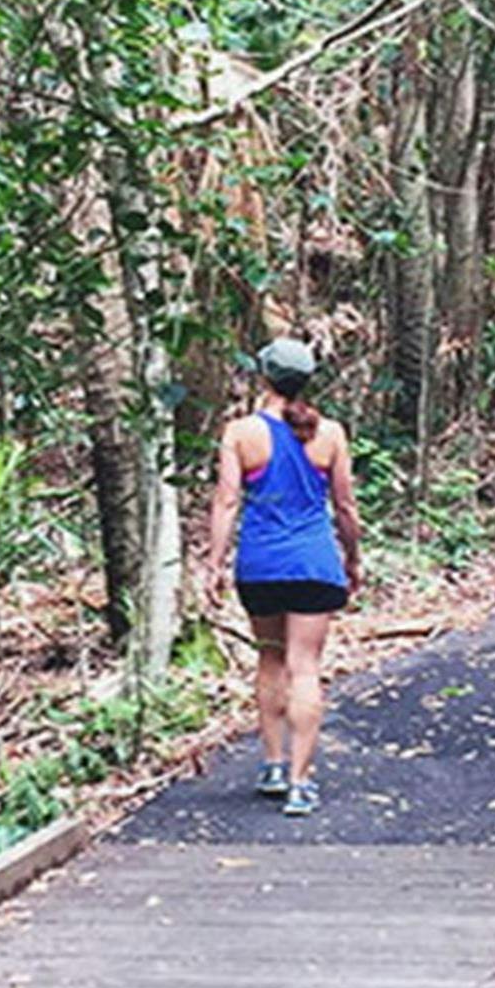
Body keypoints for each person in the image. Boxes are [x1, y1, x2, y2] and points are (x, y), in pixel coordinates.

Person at [205, 338, 363, 816]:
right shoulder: (331, 433)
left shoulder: (240, 432)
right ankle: (300, 781)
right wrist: (354, 558)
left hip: (261, 564)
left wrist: (212, 564)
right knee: (306, 667)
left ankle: (273, 764)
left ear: (264, 376)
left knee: (271, 658)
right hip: (314, 564)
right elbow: (345, 506)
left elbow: (227, 502)